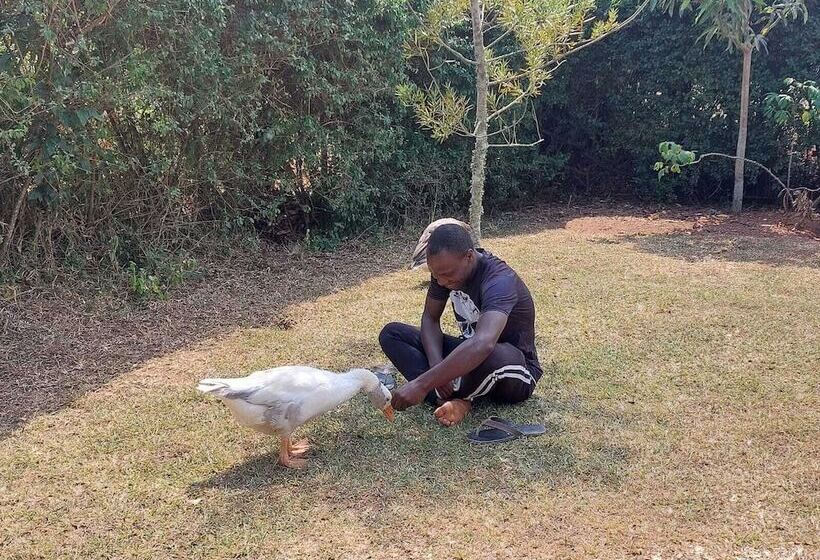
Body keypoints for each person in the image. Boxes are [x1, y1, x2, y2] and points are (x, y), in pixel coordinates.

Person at [379, 222, 542, 427]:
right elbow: (430, 318)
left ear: (469, 256)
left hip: (514, 369)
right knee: (392, 334)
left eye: (446, 275)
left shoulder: (499, 280)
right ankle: (448, 400)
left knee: (487, 351)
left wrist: (422, 384)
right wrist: (436, 366)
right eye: (435, 275)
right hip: (471, 359)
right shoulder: (444, 272)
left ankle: (462, 401)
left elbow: (483, 343)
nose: (441, 282)